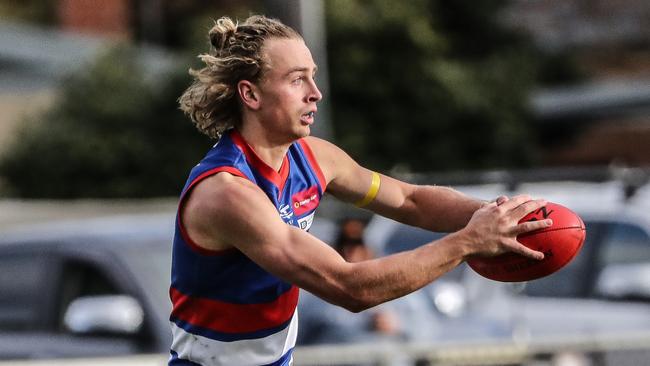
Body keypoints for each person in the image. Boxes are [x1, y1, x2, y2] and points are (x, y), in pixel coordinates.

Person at [168, 15, 551, 366]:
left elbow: (410, 201)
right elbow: (349, 287)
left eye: (313, 76)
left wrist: (500, 217)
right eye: (296, 79)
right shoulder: (226, 193)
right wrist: (468, 242)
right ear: (250, 95)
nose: (315, 92)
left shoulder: (314, 160)